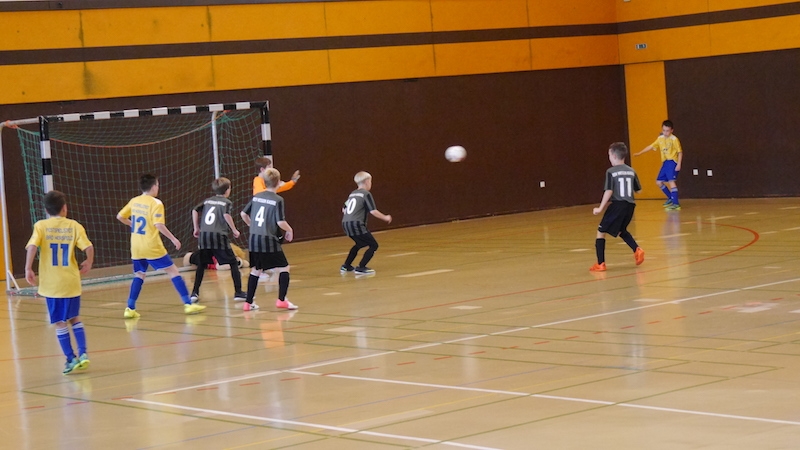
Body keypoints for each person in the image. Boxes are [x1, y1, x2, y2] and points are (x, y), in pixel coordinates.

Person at [24, 190, 95, 375]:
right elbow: (89, 247)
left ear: (46, 210)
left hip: (53, 285)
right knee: (74, 318)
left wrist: (28, 268)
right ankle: (83, 353)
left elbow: (32, 246)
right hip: (71, 281)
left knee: (60, 323)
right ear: (64, 208)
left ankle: (71, 359)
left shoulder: (41, 226)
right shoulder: (74, 225)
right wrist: (89, 261)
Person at [116, 174, 206, 317]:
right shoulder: (156, 203)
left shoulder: (134, 201)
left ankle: (130, 308)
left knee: (139, 274)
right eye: (157, 185)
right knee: (173, 271)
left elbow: (120, 216)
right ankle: (188, 304)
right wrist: (173, 239)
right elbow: (158, 224)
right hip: (151, 246)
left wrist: (132, 224)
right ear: (153, 187)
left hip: (136, 246)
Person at [240, 168, 298, 311]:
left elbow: (243, 214)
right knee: (284, 267)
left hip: (254, 238)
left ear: (264, 182)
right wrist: (289, 230)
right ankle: (282, 300)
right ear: (278, 182)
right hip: (268, 239)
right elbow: (280, 222)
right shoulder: (278, 200)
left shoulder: (257, 196)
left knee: (256, 270)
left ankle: (248, 303)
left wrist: (252, 225)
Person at [190, 177, 246, 303]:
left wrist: (196, 228)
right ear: (228, 190)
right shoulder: (226, 202)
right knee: (233, 263)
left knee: (202, 264)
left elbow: (194, 210)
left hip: (204, 236)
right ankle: (238, 292)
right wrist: (234, 229)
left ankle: (194, 293)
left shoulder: (207, 200)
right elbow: (226, 215)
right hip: (218, 236)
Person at [591, 142, 645, 272]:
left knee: (601, 231)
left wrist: (600, 208)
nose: (609, 158)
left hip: (617, 205)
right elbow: (639, 191)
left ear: (614, 156)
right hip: (630, 206)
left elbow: (609, 191)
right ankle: (637, 249)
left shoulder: (611, 171)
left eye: (609, 155)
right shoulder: (631, 171)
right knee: (621, 230)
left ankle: (600, 263)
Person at [340, 171, 392, 275]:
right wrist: (385, 217)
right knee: (373, 245)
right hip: (356, 224)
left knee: (360, 243)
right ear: (367, 181)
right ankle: (361, 267)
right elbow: (373, 211)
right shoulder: (366, 194)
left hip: (346, 223)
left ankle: (346, 265)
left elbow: (343, 209)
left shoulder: (353, 194)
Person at [633, 119, 683, 210]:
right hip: (665, 162)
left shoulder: (674, 139)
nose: (665, 133)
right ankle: (670, 198)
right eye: (664, 130)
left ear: (672, 130)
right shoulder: (660, 139)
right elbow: (651, 146)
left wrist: (679, 164)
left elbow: (680, 152)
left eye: (667, 131)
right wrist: (640, 153)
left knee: (671, 181)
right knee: (659, 182)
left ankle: (676, 204)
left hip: (672, 162)